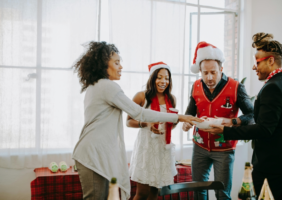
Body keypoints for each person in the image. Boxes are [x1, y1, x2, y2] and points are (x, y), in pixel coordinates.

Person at [72, 41, 204, 200]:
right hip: (93, 153)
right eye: (116, 62)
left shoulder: (96, 86)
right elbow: (139, 113)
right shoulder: (108, 87)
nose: (121, 67)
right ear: (102, 64)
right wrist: (180, 117)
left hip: (95, 152)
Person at [203, 33, 282, 200]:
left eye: (257, 62)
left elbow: (264, 129)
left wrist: (226, 130)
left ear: (270, 61)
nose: (254, 67)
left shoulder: (273, 87)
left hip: (272, 165)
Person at [182, 41, 254, 200]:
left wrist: (232, 122)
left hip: (225, 148)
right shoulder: (195, 86)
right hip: (199, 146)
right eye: (205, 73)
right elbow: (190, 112)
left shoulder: (236, 87)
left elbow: (252, 114)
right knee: (198, 190)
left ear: (221, 69)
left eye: (213, 72)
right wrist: (187, 122)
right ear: (200, 71)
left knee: (222, 193)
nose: (209, 77)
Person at [127, 62, 178, 200]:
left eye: (166, 78)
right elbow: (128, 121)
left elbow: (170, 127)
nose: (163, 81)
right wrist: (147, 125)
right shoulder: (141, 97)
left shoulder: (171, 99)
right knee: (142, 193)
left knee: (154, 193)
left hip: (162, 149)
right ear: (152, 78)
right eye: (159, 77)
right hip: (146, 148)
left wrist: (174, 122)